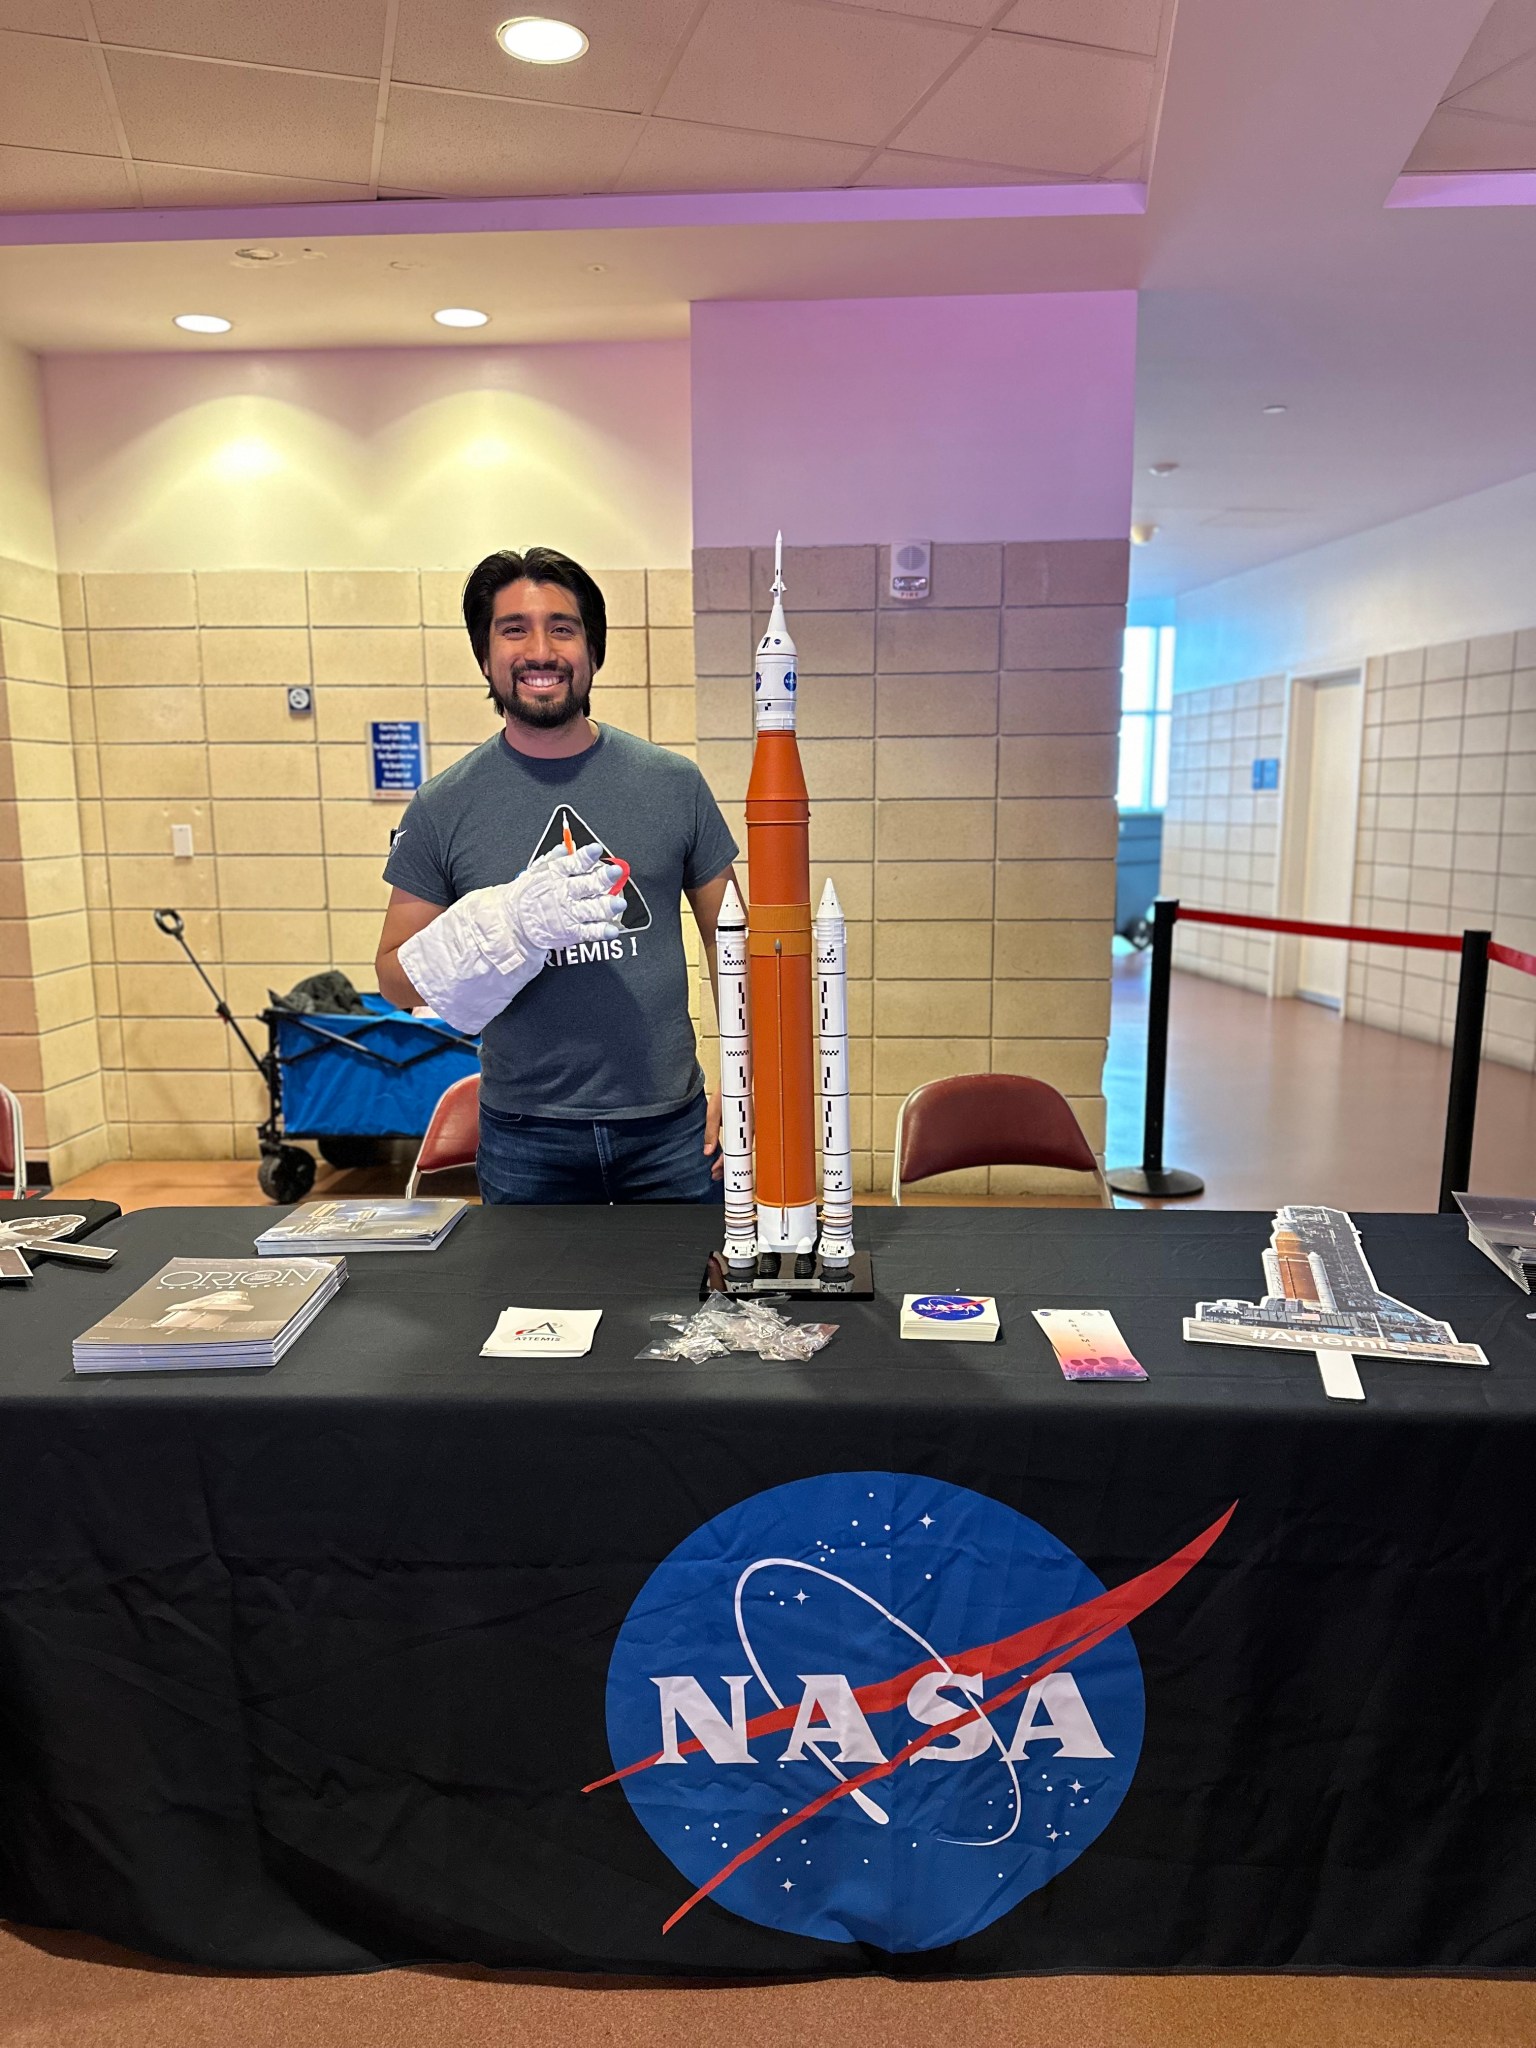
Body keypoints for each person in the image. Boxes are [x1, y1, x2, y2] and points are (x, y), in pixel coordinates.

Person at [375, 546, 739, 1205]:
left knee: (690, 1307)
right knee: (533, 1311)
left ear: (593, 651)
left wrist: (748, 1088)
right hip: (525, 1137)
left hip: (672, 1129)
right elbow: (396, 979)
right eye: (513, 629)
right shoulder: (443, 805)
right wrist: (507, 921)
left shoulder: (672, 784)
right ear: (485, 656)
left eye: (563, 628)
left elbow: (738, 944)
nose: (539, 649)